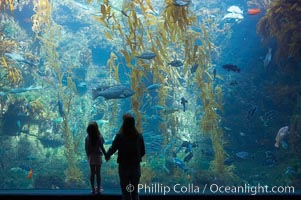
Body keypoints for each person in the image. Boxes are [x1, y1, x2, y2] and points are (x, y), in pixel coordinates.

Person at [105, 114, 145, 200]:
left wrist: (107, 155)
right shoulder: (139, 136)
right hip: (135, 167)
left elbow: (113, 148)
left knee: (125, 192)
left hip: (124, 167)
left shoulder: (120, 136)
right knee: (135, 192)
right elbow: (143, 152)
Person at [85, 121, 106, 194]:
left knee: (92, 172)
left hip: (91, 156)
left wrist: (88, 156)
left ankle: (93, 189)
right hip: (98, 156)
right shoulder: (99, 137)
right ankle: (99, 188)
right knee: (98, 173)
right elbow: (102, 147)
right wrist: (106, 155)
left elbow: (86, 148)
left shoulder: (87, 137)